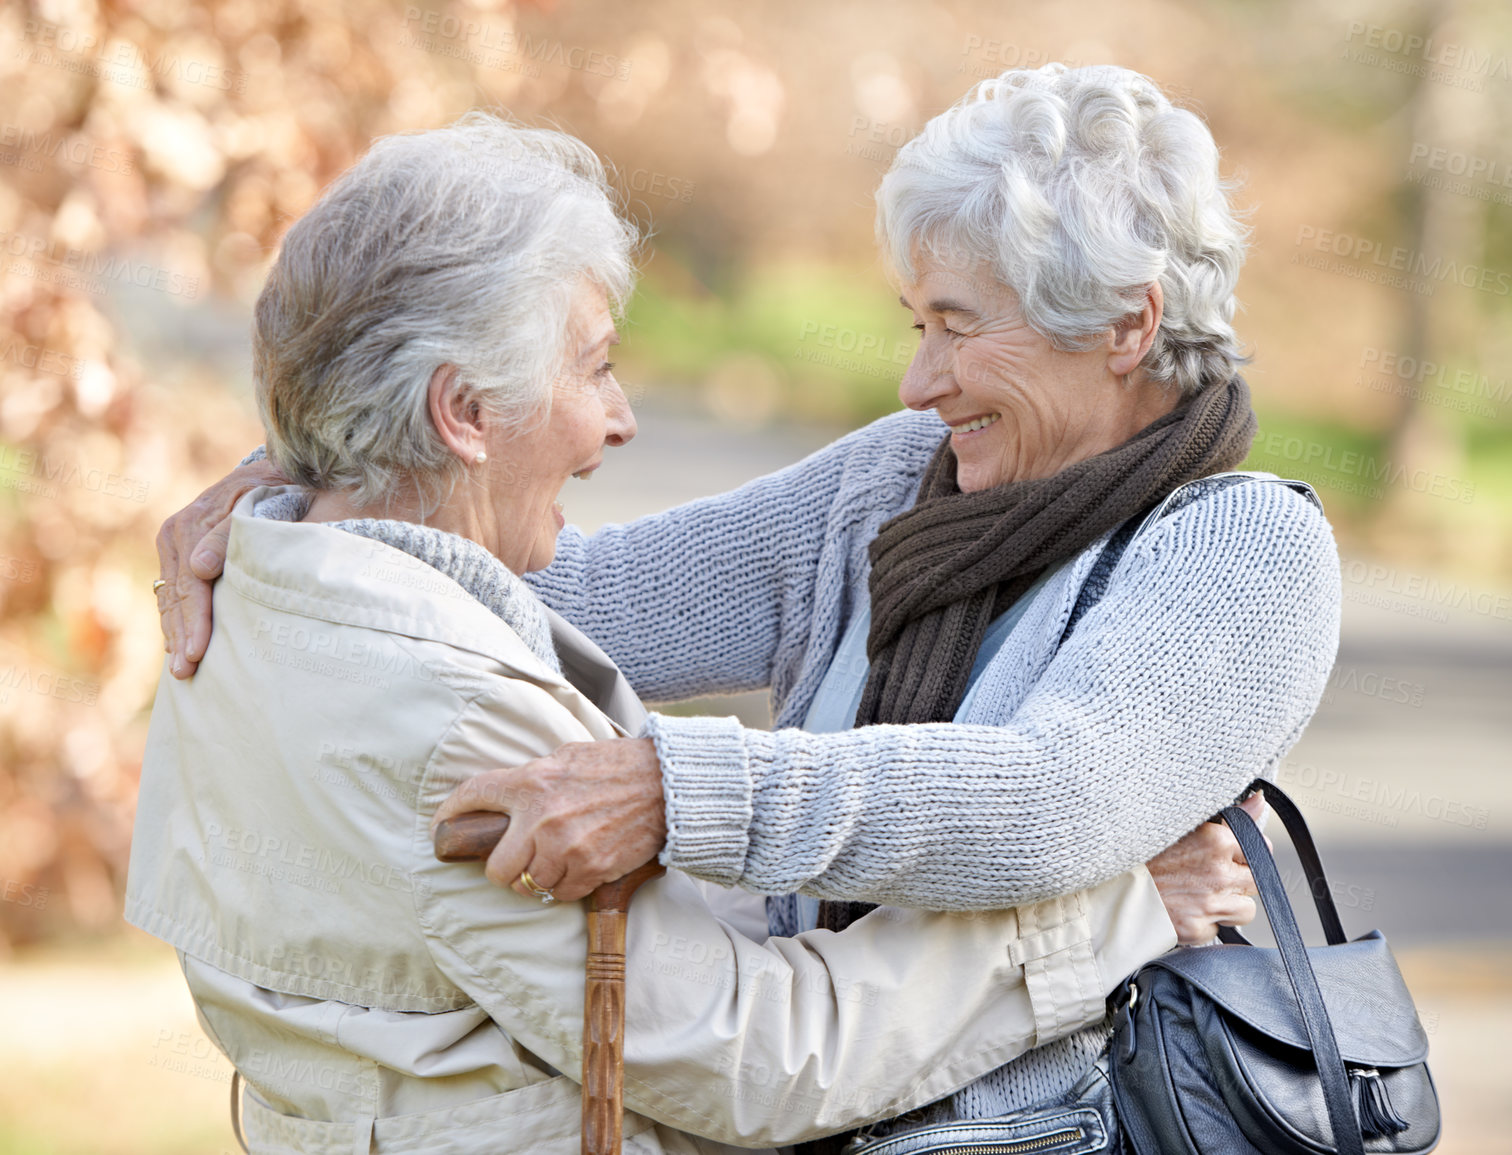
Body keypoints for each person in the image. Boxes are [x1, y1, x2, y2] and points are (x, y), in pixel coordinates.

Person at [130, 113, 1257, 1155]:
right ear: (463, 409)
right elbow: (567, 594)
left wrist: (673, 787)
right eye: (919, 325)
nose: (917, 381)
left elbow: (1058, 802)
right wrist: (319, 458)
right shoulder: (893, 486)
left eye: (957, 327)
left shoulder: (1245, 547)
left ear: (1127, 326)